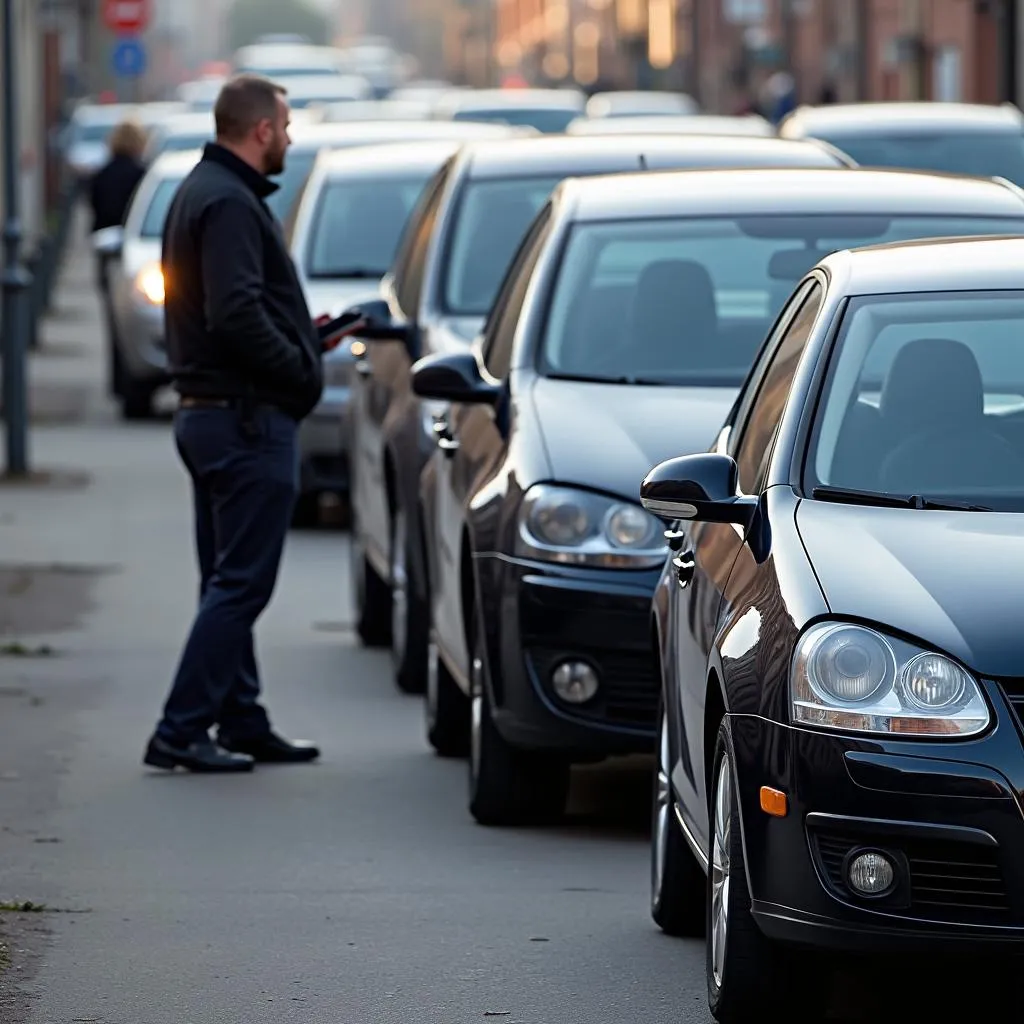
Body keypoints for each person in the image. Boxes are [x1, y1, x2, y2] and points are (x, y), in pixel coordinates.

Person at [144, 74, 342, 773]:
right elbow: (233, 314)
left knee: (225, 580)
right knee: (241, 586)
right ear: (260, 131)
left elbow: (229, 308)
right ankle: (180, 729)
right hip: (244, 422)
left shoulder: (206, 190)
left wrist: (304, 336)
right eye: (284, 128)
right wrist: (295, 364)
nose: (288, 139)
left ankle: (240, 717)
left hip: (217, 414)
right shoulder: (228, 202)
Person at [88, 119, 147, 396]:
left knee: (113, 320)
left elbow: (95, 211)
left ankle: (118, 381)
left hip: (108, 252)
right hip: (132, 253)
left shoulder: (102, 174)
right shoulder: (141, 174)